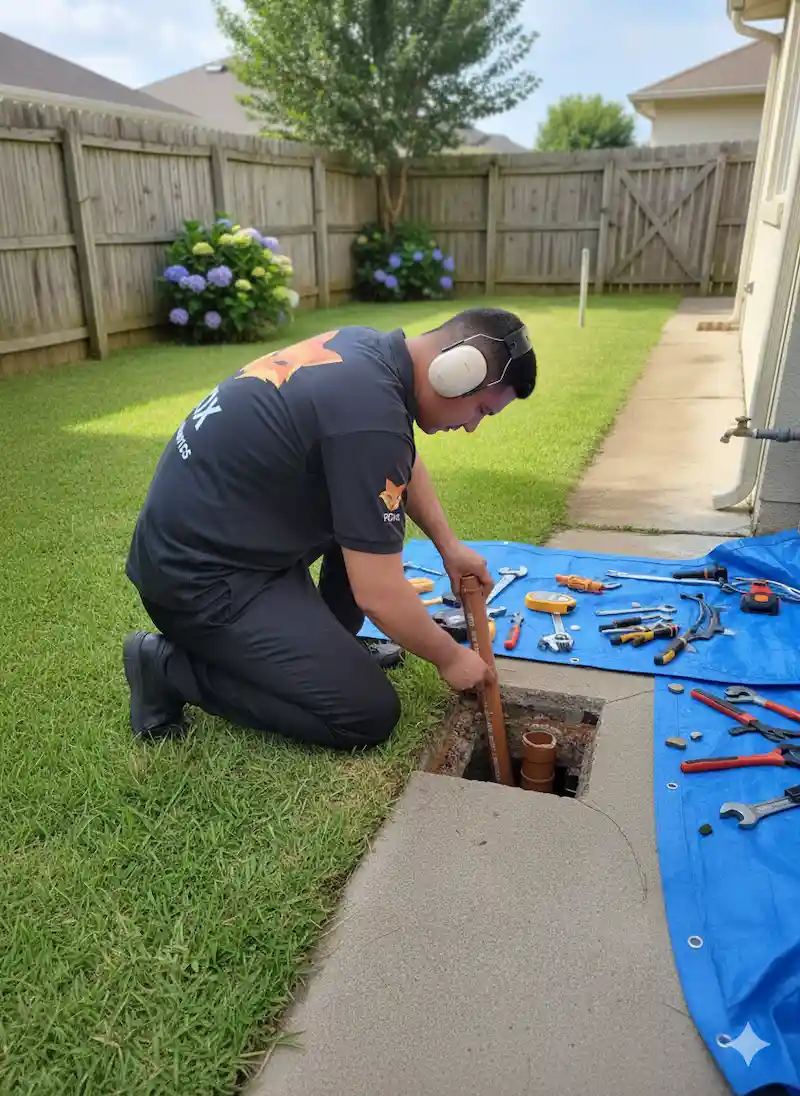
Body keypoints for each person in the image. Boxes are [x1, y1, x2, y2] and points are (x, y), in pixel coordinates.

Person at [123, 306, 537, 750]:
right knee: (365, 714)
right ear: (454, 374)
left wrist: (448, 546)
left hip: (218, 545)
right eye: (481, 410)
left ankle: (333, 647)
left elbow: (399, 463)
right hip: (200, 584)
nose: (472, 425)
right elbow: (377, 593)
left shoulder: (367, 351)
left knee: (369, 518)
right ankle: (164, 667)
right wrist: (450, 656)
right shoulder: (369, 418)